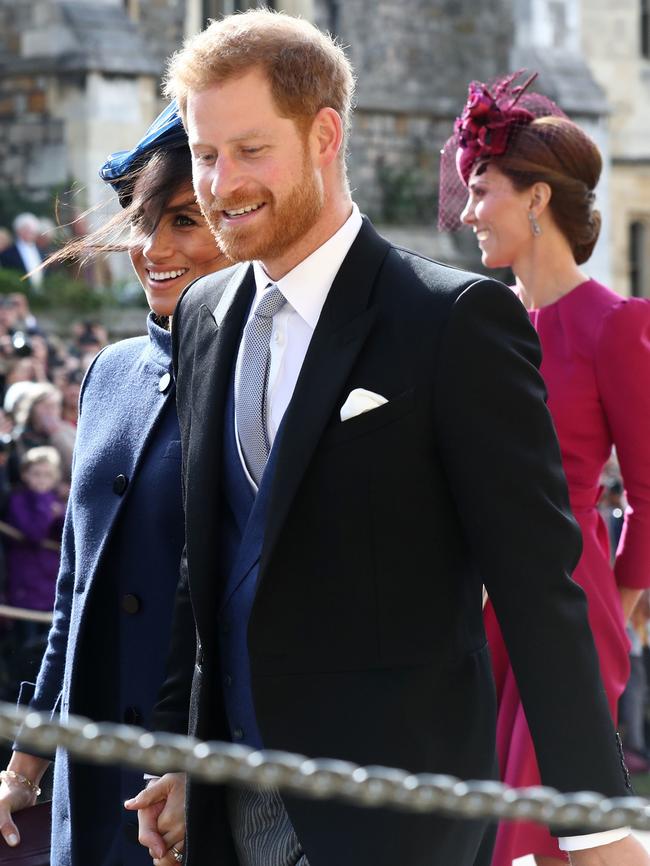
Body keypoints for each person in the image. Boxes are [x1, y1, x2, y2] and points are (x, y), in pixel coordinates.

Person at [126, 12, 646, 866]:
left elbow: (536, 584)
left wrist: (591, 823)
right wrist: (181, 756)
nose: (221, 183)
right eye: (207, 154)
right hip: (230, 811)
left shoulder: (452, 320)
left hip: (399, 812)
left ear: (325, 135)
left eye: (251, 150)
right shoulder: (204, 318)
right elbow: (207, 564)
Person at [0, 102, 229, 866]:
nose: (153, 248)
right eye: (142, 220)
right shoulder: (108, 373)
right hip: (88, 781)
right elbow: (75, 590)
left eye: (186, 221)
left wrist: (205, 766)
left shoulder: (269, 380)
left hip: (200, 792)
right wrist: (29, 761)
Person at [437, 71, 650, 865]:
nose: (464, 214)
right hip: (478, 611)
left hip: (573, 602)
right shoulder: (479, 324)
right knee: (488, 826)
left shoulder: (614, 326)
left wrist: (621, 604)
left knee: (539, 829)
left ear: (535, 199)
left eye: (480, 189)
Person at [4, 446, 64, 637]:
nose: (41, 479)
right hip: (25, 582)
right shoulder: (18, 501)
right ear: (25, 475)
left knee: (47, 641)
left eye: (47, 475)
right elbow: (34, 534)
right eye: (36, 474)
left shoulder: (58, 502)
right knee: (27, 642)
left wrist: (60, 513)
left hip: (49, 583)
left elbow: (64, 534)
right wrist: (45, 504)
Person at [0, 214, 45, 290]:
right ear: (18, 230)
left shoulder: (41, 252)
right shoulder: (7, 253)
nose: (30, 232)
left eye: (33, 230)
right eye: (27, 229)